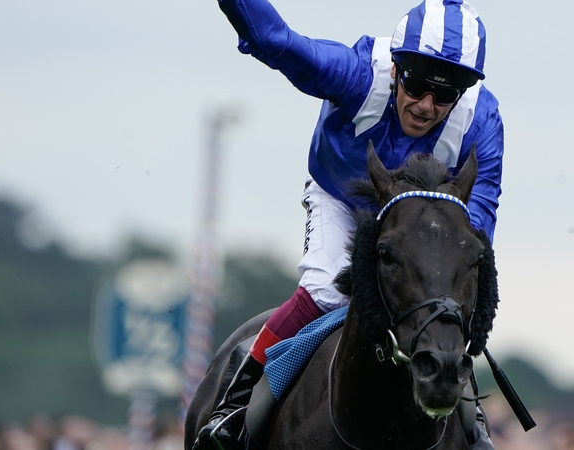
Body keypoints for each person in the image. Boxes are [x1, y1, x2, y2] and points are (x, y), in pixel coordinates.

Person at [195, 0, 503, 448]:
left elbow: (478, 221)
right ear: (396, 69)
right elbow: (277, 41)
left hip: (423, 223)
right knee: (323, 288)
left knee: (445, 300)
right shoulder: (357, 73)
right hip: (340, 195)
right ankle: (236, 403)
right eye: (417, 85)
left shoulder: (483, 120)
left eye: (445, 95)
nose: (426, 106)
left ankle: (473, 426)